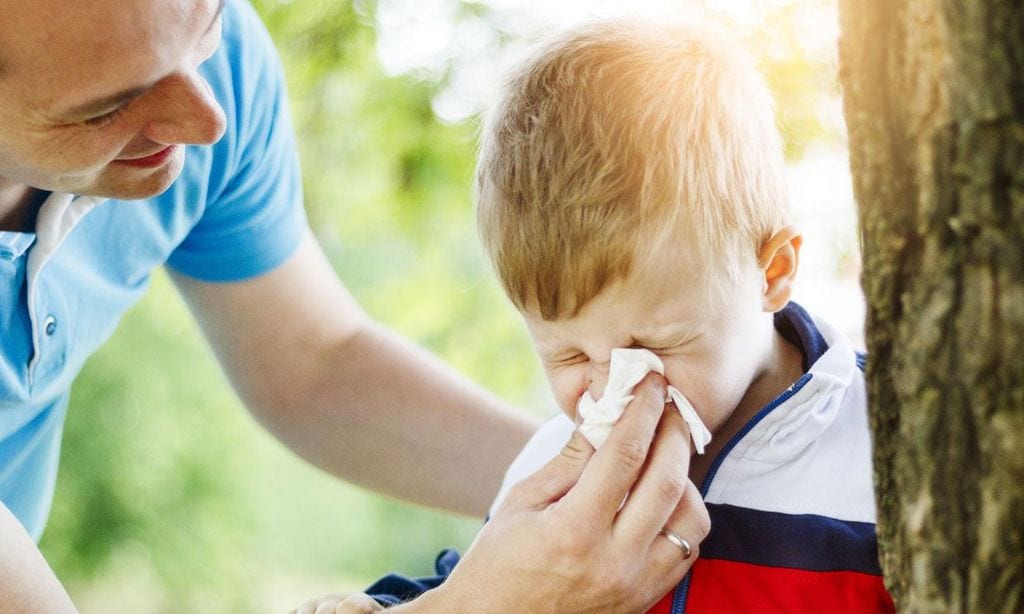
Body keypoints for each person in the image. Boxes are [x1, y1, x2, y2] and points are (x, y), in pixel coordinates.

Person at [0, 0, 707, 611]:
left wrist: (602, 477)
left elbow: (313, 364)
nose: (206, 119)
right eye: (108, 108)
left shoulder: (179, 57)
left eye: (207, 27)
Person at [316, 19, 895, 612]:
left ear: (770, 273)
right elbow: (477, 585)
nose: (615, 391)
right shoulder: (551, 466)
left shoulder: (885, 444)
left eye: (659, 345)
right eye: (569, 355)